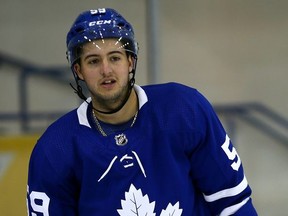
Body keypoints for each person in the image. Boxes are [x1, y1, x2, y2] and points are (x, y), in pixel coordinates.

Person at [26, 8, 258, 216]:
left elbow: (233, 204)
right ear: (79, 71)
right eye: (93, 61)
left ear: (130, 62)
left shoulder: (184, 110)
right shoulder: (54, 149)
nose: (106, 70)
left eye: (115, 58)